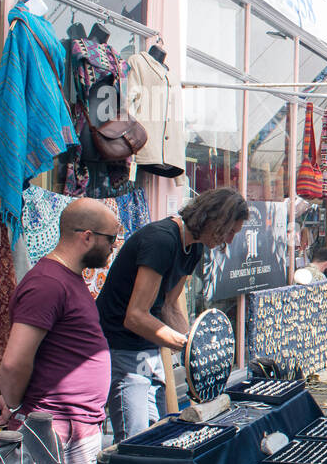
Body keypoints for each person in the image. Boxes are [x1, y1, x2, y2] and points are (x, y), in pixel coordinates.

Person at [97, 188, 248, 440]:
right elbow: (135, 316)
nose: (230, 240)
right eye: (230, 231)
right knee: (135, 439)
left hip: (148, 347)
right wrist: (190, 347)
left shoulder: (195, 248)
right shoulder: (162, 240)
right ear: (214, 220)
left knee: (161, 430)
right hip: (120, 346)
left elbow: (168, 305)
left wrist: (193, 346)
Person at [0, 199, 119, 464]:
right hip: (57, 429)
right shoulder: (48, 283)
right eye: (111, 238)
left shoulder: (66, 279)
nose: (114, 246)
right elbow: (14, 362)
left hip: (73, 426)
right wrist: (15, 407)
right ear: (86, 236)